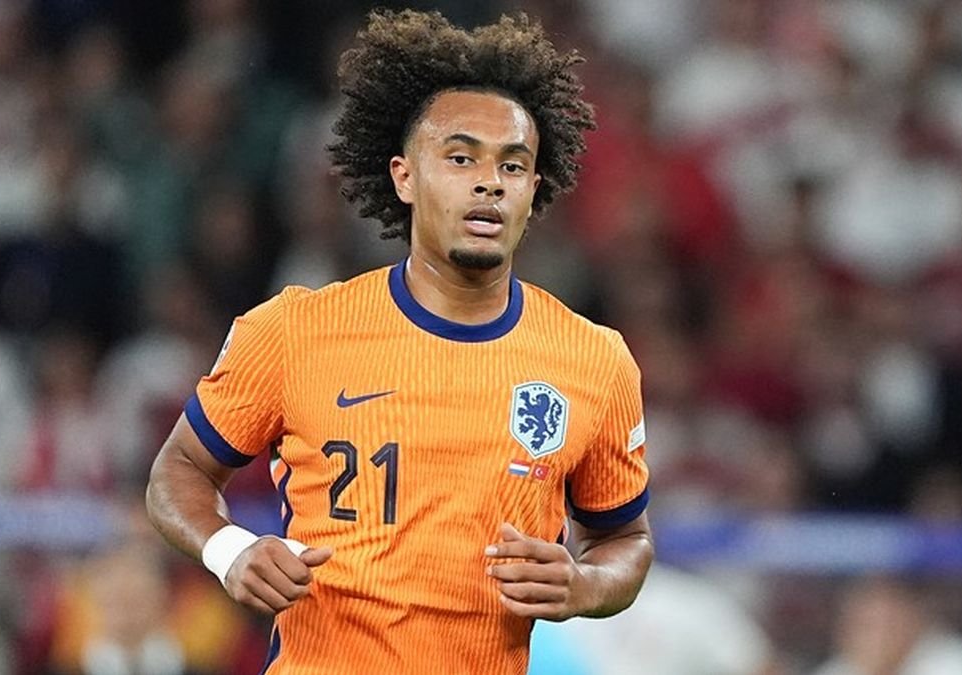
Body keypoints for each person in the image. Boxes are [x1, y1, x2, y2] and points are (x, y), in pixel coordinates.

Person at [146, 9, 653, 674]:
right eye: (461, 157)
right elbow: (177, 471)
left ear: (533, 189)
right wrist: (228, 549)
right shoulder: (295, 331)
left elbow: (625, 537)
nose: (489, 181)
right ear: (404, 176)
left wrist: (585, 584)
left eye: (513, 164)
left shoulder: (595, 360)